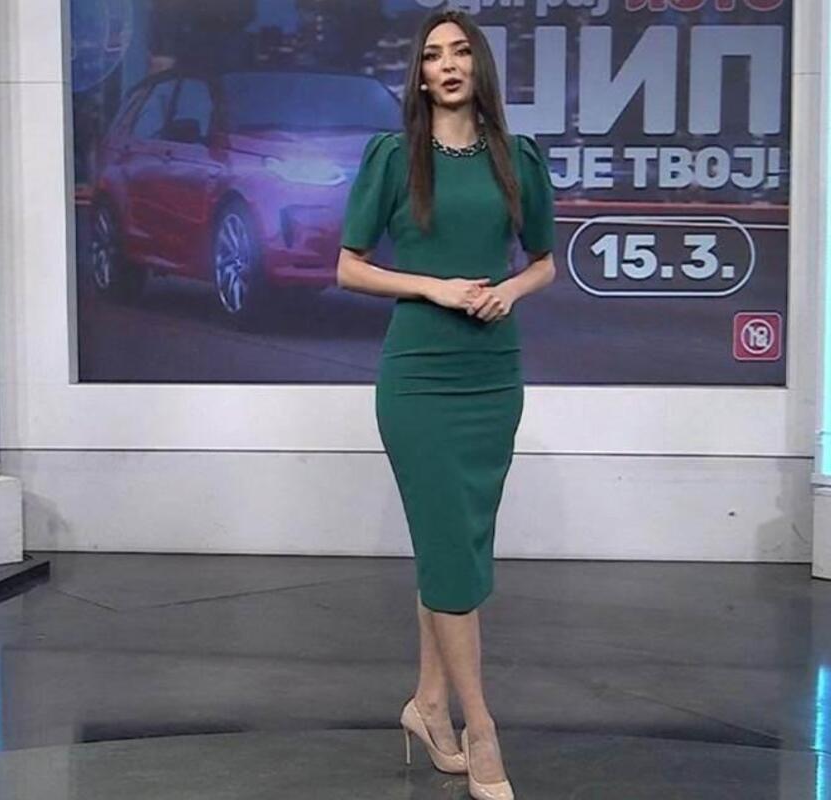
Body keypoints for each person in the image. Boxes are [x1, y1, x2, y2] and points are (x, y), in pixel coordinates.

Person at [336, 8, 555, 800]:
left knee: (458, 546)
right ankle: (480, 726)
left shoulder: (516, 158)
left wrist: (509, 292)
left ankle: (428, 706)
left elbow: (544, 262)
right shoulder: (395, 157)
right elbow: (350, 266)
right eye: (433, 56)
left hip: (492, 374)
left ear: (479, 66)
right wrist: (432, 286)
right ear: (420, 76)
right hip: (420, 376)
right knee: (450, 551)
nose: (449, 65)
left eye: (461, 52)